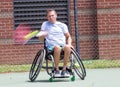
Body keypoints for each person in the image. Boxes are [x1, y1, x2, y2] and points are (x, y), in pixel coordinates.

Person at [37, 9, 72, 77]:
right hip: (51, 48)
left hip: (63, 46)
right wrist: (43, 35)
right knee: (57, 47)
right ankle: (56, 69)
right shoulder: (45, 24)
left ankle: (64, 69)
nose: (51, 17)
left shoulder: (62, 25)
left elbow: (68, 37)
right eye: (49, 16)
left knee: (67, 47)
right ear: (47, 17)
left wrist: (69, 44)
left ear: (56, 16)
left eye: (52, 15)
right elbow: (40, 39)